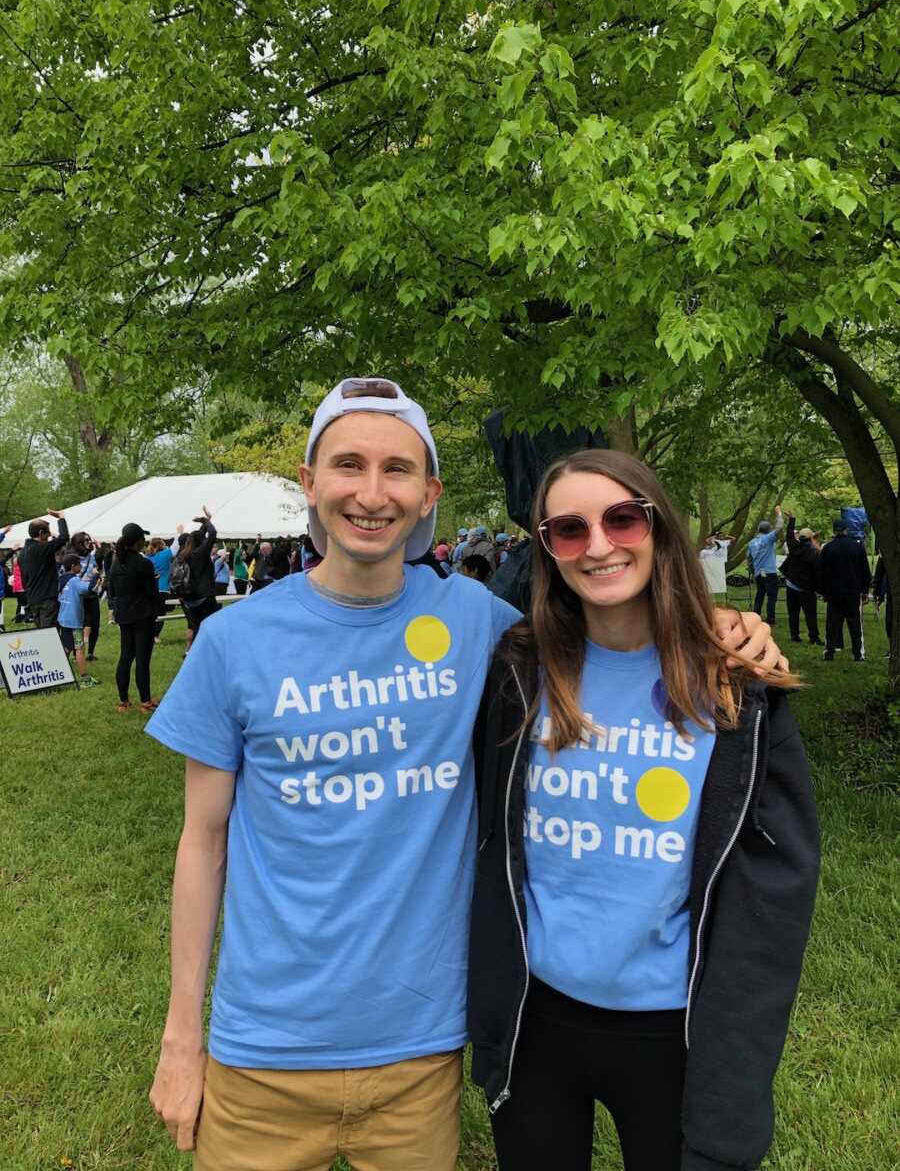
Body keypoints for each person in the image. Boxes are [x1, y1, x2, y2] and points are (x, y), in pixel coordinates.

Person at [145, 378, 787, 1171]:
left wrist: (722, 623)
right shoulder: (232, 642)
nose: (371, 494)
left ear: (428, 496)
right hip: (262, 1052)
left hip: (422, 1052)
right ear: (309, 484)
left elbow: (612, 616)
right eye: (347, 465)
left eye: (398, 471)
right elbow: (201, 845)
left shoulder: (483, 626)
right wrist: (182, 1038)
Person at [468, 449, 819, 1171]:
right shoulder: (517, 671)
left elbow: (773, 906)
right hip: (536, 1020)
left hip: (673, 1031)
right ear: (546, 550)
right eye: (568, 529)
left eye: (622, 519)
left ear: (659, 529)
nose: (598, 545)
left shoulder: (737, 689)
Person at [109, 522, 161, 713]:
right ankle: (145, 702)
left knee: (125, 656)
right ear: (137, 541)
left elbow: (112, 591)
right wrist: (153, 582)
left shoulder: (116, 564)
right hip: (142, 615)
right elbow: (151, 592)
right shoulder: (144, 563)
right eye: (143, 539)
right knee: (142, 659)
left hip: (123, 615)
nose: (145, 542)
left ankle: (123, 701)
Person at [820, 517, 871, 662]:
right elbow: (865, 571)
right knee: (855, 624)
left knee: (832, 623)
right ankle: (858, 654)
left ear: (834, 531)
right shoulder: (857, 547)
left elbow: (822, 572)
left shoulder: (828, 548)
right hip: (853, 591)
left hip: (834, 592)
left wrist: (824, 592)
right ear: (846, 530)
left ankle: (829, 652)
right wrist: (865, 590)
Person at [174, 510, 220, 646]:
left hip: (190, 599)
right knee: (210, 629)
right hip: (204, 597)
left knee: (197, 629)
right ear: (201, 543)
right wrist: (204, 521)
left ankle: (192, 655)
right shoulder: (200, 554)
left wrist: (206, 520)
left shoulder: (182, 555)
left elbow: (198, 536)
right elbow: (213, 534)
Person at [18, 511, 70, 628]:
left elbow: (24, 579)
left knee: (42, 635)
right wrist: (61, 518)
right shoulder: (42, 548)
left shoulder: (22, 553)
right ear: (41, 533)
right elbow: (64, 538)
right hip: (47, 599)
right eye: (48, 533)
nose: (49, 536)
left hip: (32, 599)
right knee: (50, 636)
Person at [57, 554, 101, 686]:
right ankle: (85, 679)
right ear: (73, 566)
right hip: (74, 622)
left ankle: (58, 673)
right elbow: (89, 588)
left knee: (66, 647)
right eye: (79, 564)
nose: (81, 567)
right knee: (80, 649)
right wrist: (96, 575)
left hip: (63, 619)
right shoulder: (75, 581)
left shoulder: (62, 580)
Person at [781, 514, 822, 645]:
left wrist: (792, 520)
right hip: (806, 588)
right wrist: (820, 589)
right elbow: (817, 572)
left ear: (800, 537)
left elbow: (789, 535)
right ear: (811, 538)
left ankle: (794, 635)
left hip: (790, 585)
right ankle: (813, 637)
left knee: (793, 612)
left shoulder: (793, 546)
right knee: (810, 614)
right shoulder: (814, 553)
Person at [65, 532, 102, 660]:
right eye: (87, 540)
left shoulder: (91, 557)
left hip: (91, 594)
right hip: (78, 596)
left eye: (89, 539)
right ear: (79, 542)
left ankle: (91, 652)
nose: (89, 541)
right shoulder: (71, 557)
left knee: (95, 624)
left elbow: (95, 570)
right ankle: (76, 652)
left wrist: (97, 577)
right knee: (79, 624)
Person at [747, 506, 784, 624]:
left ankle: (756, 617)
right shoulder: (768, 539)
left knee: (760, 594)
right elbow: (779, 527)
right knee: (772, 596)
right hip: (770, 572)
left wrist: (753, 572)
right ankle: (770, 619)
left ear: (758, 530)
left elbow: (749, 560)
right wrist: (779, 514)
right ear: (768, 531)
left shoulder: (751, 543)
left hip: (759, 573)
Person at [148, 536, 179, 642]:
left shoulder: (147, 558)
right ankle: (155, 636)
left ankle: (150, 634)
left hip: (149, 589)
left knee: (151, 613)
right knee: (161, 614)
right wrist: (179, 533)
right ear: (161, 545)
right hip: (162, 589)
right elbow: (176, 546)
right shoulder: (165, 555)